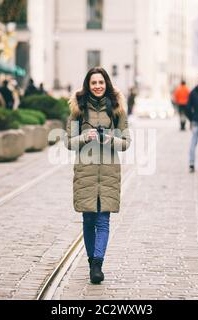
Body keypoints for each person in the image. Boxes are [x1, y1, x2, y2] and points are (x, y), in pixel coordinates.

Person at [65, 67, 131, 284]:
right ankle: (91, 258)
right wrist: (84, 136)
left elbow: (126, 143)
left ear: (107, 84)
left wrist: (110, 139)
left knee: (103, 219)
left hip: (109, 172)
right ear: (88, 85)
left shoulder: (117, 109)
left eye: (101, 82)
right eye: (93, 83)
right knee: (88, 217)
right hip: (86, 172)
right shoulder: (78, 108)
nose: (98, 86)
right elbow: (68, 142)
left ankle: (97, 264)